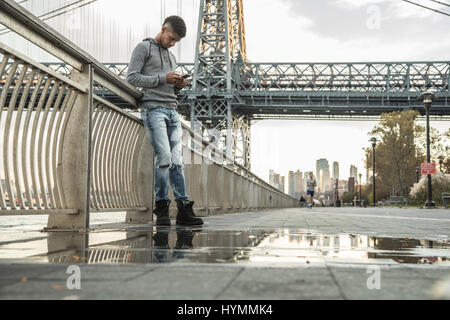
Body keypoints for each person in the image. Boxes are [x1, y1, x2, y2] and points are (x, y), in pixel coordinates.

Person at [126, 16, 203, 227]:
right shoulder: (143, 48)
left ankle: (183, 209)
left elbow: (171, 89)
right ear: (163, 29)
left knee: (177, 162)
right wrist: (163, 78)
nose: (172, 44)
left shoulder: (172, 59)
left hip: (172, 112)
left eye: (176, 42)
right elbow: (131, 77)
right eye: (171, 39)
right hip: (154, 111)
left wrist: (178, 85)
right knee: (165, 158)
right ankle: (161, 207)